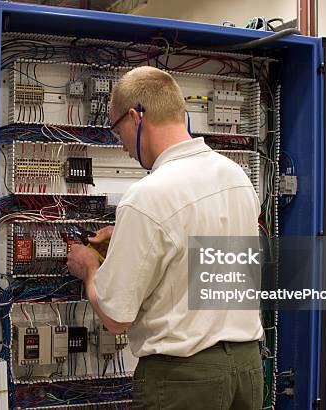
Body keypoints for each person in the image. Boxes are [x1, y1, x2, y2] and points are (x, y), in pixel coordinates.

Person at [66, 66, 263, 410]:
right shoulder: (236, 176)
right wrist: (127, 236)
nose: (122, 146)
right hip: (246, 370)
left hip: (183, 379)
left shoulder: (147, 196)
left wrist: (89, 270)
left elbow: (115, 318)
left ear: (134, 116)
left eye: (116, 131)